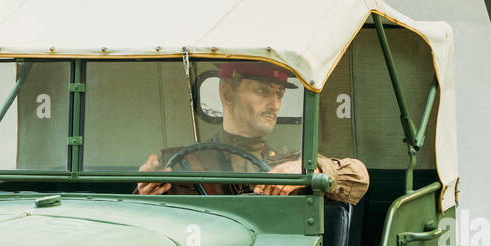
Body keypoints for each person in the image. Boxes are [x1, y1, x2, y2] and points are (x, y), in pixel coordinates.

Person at [136, 62, 369, 204]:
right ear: (227, 95)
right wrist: (144, 196)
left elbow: (359, 178)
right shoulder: (181, 164)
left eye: (279, 94)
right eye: (262, 91)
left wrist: (311, 170)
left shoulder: (289, 164)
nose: (275, 104)